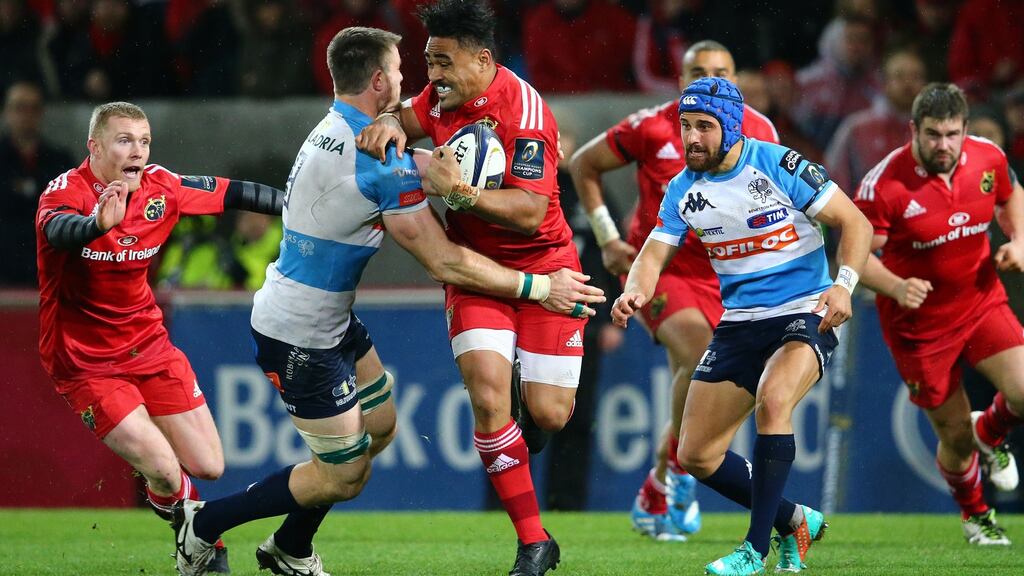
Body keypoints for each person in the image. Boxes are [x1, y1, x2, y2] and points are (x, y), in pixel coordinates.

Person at [170, 26, 603, 576]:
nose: (411, 83)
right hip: (298, 334)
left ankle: (290, 549)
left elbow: (409, 161)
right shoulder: (380, 161)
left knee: (380, 427)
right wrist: (540, 286)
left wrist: (435, 165)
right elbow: (443, 261)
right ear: (378, 80)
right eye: (401, 72)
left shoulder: (335, 127)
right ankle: (203, 526)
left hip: (323, 317)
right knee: (344, 475)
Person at [355, 2, 591, 574]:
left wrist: (457, 194)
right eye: (428, 60)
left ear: (483, 60)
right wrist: (389, 120)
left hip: (548, 269)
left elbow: (532, 212)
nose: (432, 75)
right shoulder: (438, 99)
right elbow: (407, 118)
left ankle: (527, 397)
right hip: (475, 273)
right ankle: (534, 542)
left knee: (552, 417)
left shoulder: (526, 113)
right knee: (487, 398)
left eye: (443, 62)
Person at [613, 76, 872, 575]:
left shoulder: (779, 164)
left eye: (704, 127)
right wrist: (635, 290)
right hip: (739, 323)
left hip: (804, 311)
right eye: (685, 126)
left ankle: (754, 550)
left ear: (730, 127)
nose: (691, 138)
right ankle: (793, 519)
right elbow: (653, 251)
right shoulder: (683, 189)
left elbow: (855, 223)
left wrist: (843, 285)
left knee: (775, 402)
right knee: (696, 455)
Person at [35, 101, 289, 573]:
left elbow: (238, 194)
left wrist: (304, 207)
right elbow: (60, 231)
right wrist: (96, 225)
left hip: (149, 345)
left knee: (210, 465)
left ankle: (184, 519)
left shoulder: (162, 187)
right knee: (164, 466)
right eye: (125, 140)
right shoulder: (66, 192)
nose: (138, 151)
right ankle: (202, 545)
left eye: (145, 141)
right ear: (94, 147)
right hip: (85, 362)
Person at [570, 39, 779, 542]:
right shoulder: (652, 125)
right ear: (681, 81)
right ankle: (682, 475)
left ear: (736, 81)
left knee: (728, 384)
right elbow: (582, 165)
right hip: (660, 271)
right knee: (699, 352)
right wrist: (607, 237)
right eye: (698, 71)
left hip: (730, 277)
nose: (709, 79)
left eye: (721, 72)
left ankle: (660, 483)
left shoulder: (761, 131)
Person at [854, 82, 1024, 545]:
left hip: (979, 300)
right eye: (933, 135)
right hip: (919, 328)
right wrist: (895, 285)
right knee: (954, 435)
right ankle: (977, 518)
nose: (943, 145)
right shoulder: (884, 184)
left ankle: (991, 431)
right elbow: (853, 255)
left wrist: (1018, 239)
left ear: (966, 130)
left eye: (952, 134)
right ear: (913, 130)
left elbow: (1012, 195)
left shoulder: (988, 157)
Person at [824, 48, 926, 194]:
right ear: (884, 83)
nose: (908, 84)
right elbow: (833, 180)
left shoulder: (934, 130)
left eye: (915, 76)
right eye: (899, 76)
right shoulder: (857, 128)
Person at [1, 81, 72, 286]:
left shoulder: (60, 161)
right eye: (20, 107)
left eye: (34, 108)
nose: (27, 115)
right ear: (6, 112)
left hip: (51, 269)